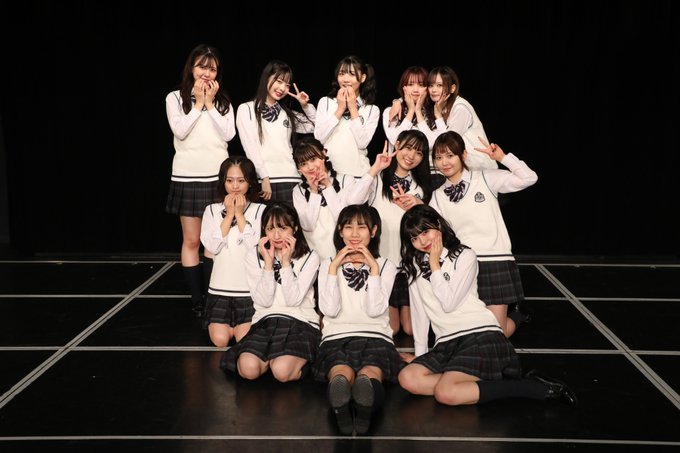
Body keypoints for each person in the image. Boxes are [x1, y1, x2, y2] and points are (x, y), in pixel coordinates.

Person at [397, 205, 577, 407]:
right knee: (408, 378)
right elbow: (420, 312)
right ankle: (476, 381)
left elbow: (448, 303)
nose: (422, 242)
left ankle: (533, 387)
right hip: (446, 342)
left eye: (425, 232)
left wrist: (435, 265)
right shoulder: (414, 265)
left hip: (478, 335)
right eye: (414, 238)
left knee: (446, 393)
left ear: (438, 225)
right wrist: (421, 356)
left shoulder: (464, 256)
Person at [430, 132, 537, 337]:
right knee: (470, 330)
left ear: (463, 155)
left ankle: (518, 315)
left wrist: (502, 158)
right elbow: (437, 233)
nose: (444, 162)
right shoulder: (438, 195)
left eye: (450, 155)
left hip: (495, 260)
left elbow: (530, 178)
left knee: (497, 333)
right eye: (439, 157)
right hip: (463, 265)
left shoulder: (485, 177)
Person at [313, 204, 402, 435]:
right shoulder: (327, 264)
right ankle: (343, 405)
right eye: (348, 227)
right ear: (340, 231)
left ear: (373, 231)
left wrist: (373, 269)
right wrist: (333, 268)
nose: (354, 233)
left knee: (369, 374)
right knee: (340, 374)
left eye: (361, 227)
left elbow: (375, 310)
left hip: (375, 336)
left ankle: (364, 407)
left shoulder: (386, 266)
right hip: (336, 336)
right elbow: (329, 310)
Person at [165, 44, 236, 317]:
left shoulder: (223, 101)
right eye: (202, 67)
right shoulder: (175, 98)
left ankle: (213, 297)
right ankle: (197, 300)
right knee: (192, 240)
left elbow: (228, 135)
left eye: (212, 69)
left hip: (217, 178)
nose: (207, 73)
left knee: (214, 241)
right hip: (187, 176)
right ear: (191, 68)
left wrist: (210, 104)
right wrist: (197, 105)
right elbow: (180, 131)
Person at [220, 202, 320, 382]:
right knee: (248, 369)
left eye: (283, 228)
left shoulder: (310, 257)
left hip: (300, 322)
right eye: (270, 228)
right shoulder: (254, 255)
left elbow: (292, 300)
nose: (276, 235)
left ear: (295, 228)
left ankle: (302, 362)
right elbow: (263, 301)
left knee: (282, 371)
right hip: (265, 322)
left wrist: (286, 263)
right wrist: (268, 264)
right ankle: (273, 358)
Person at [368, 130, 433, 337]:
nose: (411, 156)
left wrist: (419, 205)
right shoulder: (378, 178)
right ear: (396, 145)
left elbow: (433, 224)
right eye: (408, 148)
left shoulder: (422, 186)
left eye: (419, 152)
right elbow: (353, 202)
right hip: (382, 263)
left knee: (412, 329)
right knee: (392, 328)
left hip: (409, 264)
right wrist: (375, 169)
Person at [292, 137, 393, 262]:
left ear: (324, 153)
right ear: (299, 169)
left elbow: (343, 218)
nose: (310, 167)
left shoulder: (345, 180)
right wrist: (313, 191)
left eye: (313, 159)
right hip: (314, 258)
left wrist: (328, 186)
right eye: (303, 164)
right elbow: (308, 225)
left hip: (346, 256)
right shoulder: (299, 191)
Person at [200, 156, 265, 347]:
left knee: (244, 340)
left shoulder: (260, 210)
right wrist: (229, 215)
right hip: (219, 289)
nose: (235, 186)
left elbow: (255, 247)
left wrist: (240, 214)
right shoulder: (211, 210)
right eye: (229, 180)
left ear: (250, 182)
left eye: (241, 180)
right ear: (223, 182)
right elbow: (212, 247)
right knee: (220, 341)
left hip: (248, 291)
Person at [236, 60, 316, 205]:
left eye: (287, 85)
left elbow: (317, 126)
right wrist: (264, 177)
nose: (283, 88)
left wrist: (305, 106)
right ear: (266, 78)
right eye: (279, 81)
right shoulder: (246, 109)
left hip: (292, 178)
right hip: (265, 181)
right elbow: (250, 147)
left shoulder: (287, 113)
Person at [314, 55, 380, 177]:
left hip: (357, 174)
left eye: (352, 74)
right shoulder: (326, 102)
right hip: (329, 173)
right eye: (342, 74)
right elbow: (319, 138)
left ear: (363, 78)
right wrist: (340, 109)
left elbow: (362, 143)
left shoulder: (371, 109)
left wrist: (353, 109)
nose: (345, 79)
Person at [382, 66, 445, 187]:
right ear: (403, 87)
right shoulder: (391, 111)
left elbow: (434, 143)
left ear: (427, 88)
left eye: (421, 85)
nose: (415, 90)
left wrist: (418, 112)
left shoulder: (436, 112)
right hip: (396, 174)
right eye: (410, 84)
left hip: (429, 175)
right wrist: (410, 111)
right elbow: (396, 141)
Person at [424, 66, 497, 171]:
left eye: (439, 85)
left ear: (452, 88)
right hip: (461, 167)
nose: (433, 90)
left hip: (480, 168)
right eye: (431, 85)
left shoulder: (460, 108)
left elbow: (447, 143)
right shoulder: (440, 107)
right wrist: (399, 101)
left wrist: (438, 116)